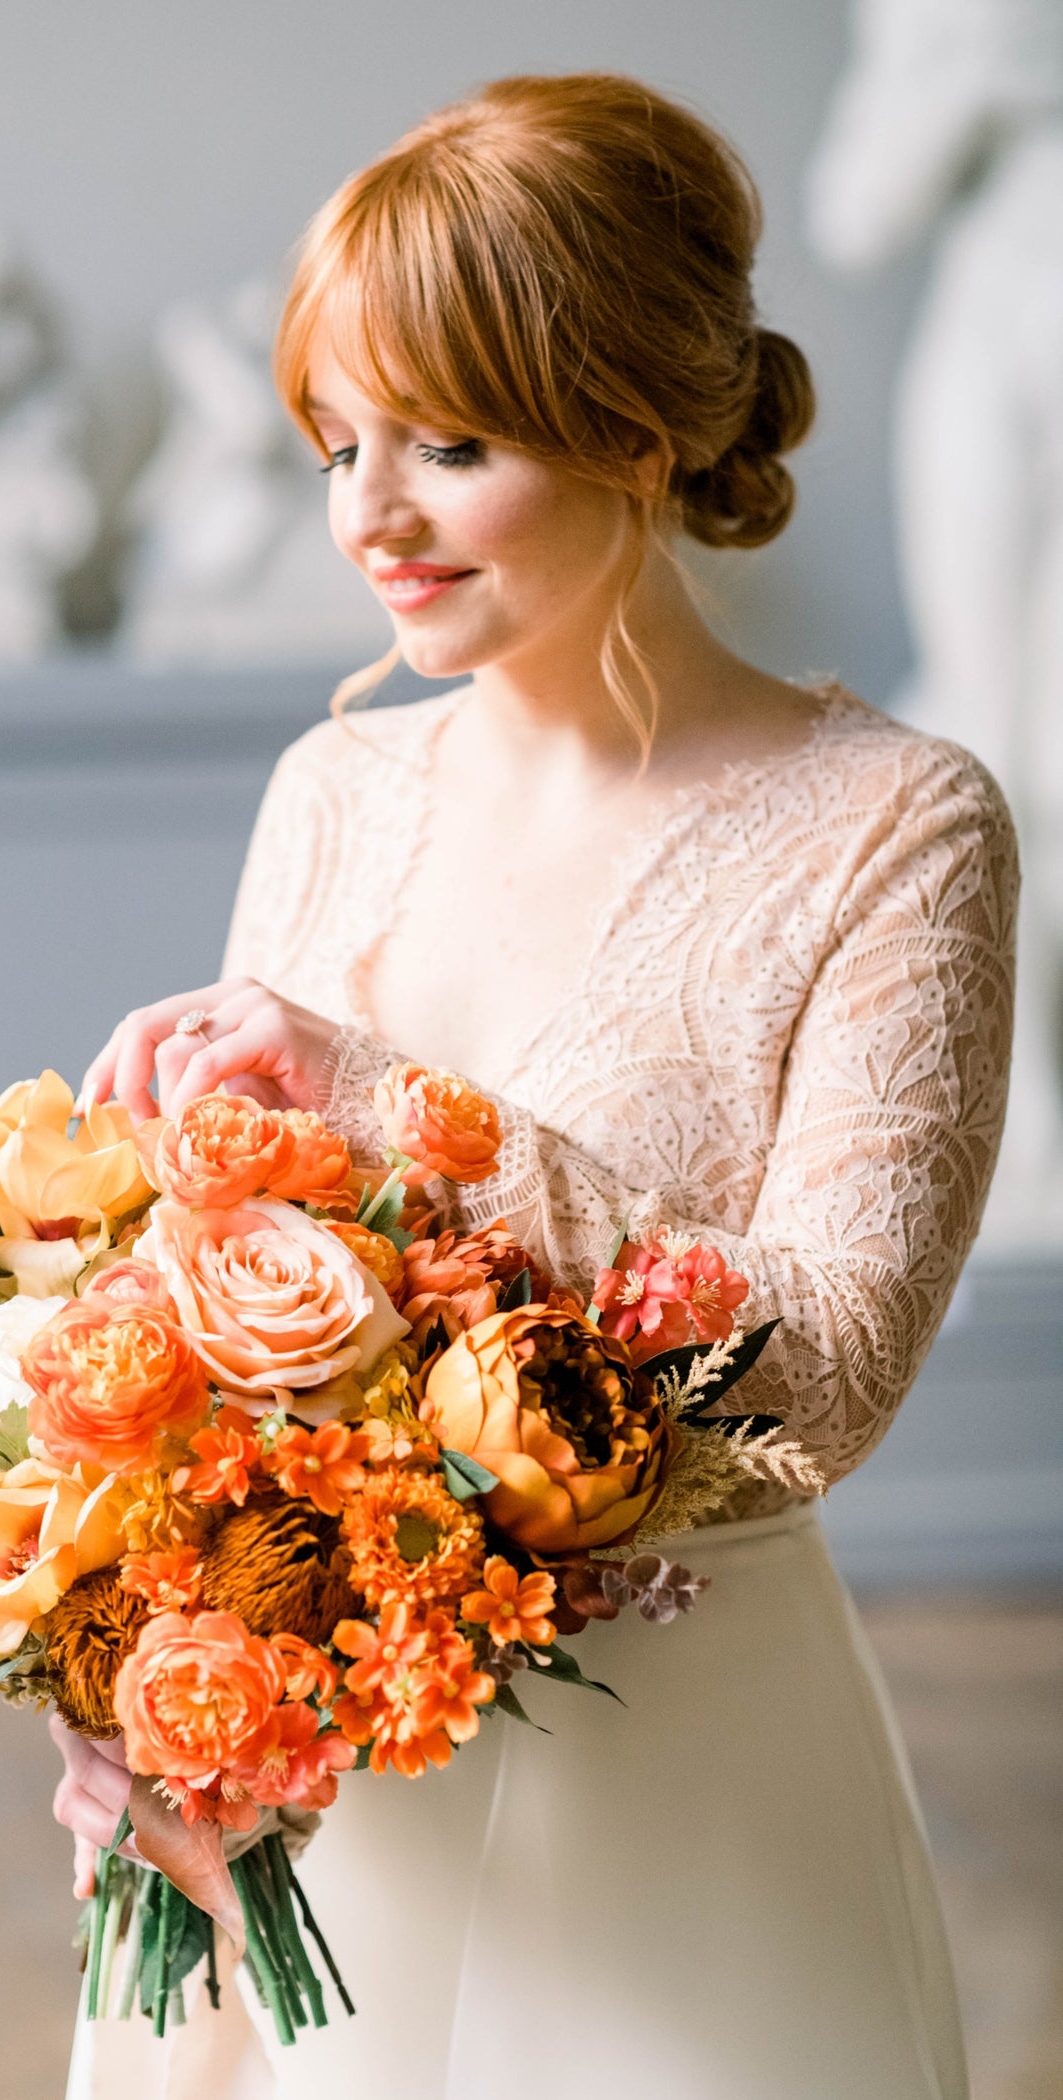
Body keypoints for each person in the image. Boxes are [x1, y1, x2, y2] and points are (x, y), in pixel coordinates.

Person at [53, 74, 1016, 2099]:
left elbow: (828, 1382)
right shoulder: (335, 790)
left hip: (683, 1801)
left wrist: (391, 1101)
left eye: (451, 443)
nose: (369, 518)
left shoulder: (896, 827)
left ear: (637, 427)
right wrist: (122, 1659)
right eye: (339, 443)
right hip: (307, 1806)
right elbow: (223, 1332)